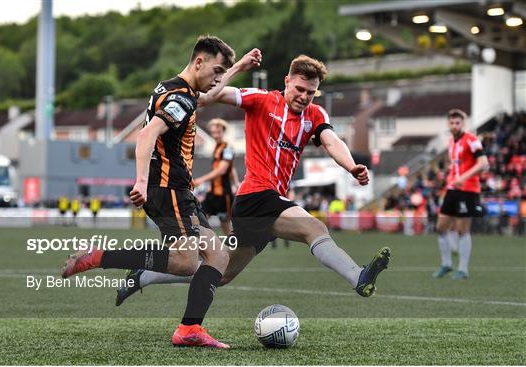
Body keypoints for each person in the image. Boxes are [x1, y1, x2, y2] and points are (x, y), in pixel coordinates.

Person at [116, 55, 390, 304]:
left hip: (266, 203)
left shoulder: (316, 114)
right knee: (314, 230)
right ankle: (358, 277)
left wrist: (352, 166)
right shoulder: (261, 99)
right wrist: (239, 67)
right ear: (287, 82)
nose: (304, 97)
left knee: (221, 273)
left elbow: (331, 141)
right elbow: (207, 96)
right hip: (256, 196)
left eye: (310, 92)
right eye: (299, 89)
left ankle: (143, 276)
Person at [60, 35, 262, 349]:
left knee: (217, 256)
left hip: (179, 191)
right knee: (184, 262)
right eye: (216, 70)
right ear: (199, 63)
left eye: (222, 73)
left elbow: (205, 99)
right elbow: (147, 133)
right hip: (167, 189)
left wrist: (237, 67)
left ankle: (189, 328)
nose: (218, 79)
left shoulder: (175, 89)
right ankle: (99, 257)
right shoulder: (181, 98)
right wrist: (140, 181)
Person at [433, 109, 488, 280]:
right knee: (441, 227)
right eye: (452, 123)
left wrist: (462, 177)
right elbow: (455, 164)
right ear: (448, 124)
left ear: (463, 124)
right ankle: (447, 264)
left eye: (458, 123)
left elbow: (483, 163)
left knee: (462, 230)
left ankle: (463, 269)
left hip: (468, 190)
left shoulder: (471, 140)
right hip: (452, 189)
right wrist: (448, 176)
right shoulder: (451, 142)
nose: (455, 125)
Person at [194, 118, 235, 235]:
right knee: (200, 219)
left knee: (226, 226)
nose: (215, 134)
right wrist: (236, 182)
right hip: (213, 194)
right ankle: (205, 248)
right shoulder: (217, 147)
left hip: (224, 195)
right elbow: (232, 169)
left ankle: (232, 250)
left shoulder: (227, 148)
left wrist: (201, 180)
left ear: (223, 131)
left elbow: (222, 170)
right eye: (213, 132)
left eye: (218, 132)